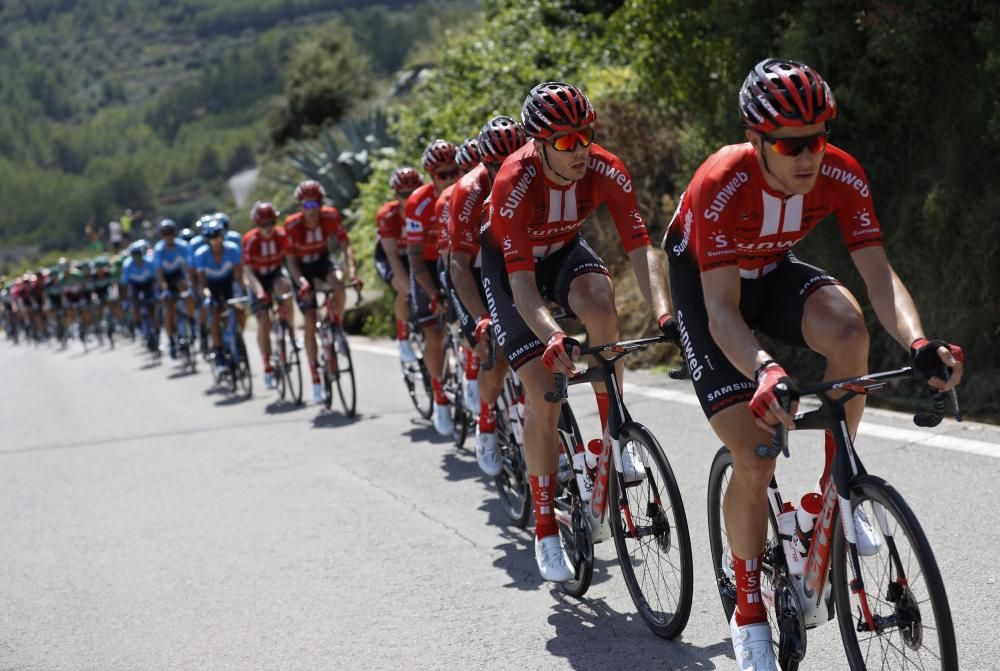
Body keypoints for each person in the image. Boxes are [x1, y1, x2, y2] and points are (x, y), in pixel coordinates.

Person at [660, 58, 965, 670]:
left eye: (818, 139)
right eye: (790, 144)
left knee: (849, 328)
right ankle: (748, 613)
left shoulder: (841, 174)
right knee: (756, 454)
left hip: (771, 271)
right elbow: (723, 314)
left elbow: (879, 277)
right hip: (708, 289)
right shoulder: (722, 180)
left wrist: (919, 343)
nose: (808, 156)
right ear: (756, 140)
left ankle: (839, 489)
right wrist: (766, 367)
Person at [480, 82, 676, 582]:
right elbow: (523, 287)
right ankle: (545, 527)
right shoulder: (513, 181)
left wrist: (664, 315)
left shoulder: (604, 166)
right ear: (538, 144)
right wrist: (552, 337)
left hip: (564, 249)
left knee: (599, 303)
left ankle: (617, 432)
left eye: (586, 135)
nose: (580, 149)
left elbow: (640, 247)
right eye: (566, 142)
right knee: (544, 393)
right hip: (511, 270)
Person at [449, 116, 527, 476]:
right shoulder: (468, 190)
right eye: (495, 165)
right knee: (493, 354)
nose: (505, 170)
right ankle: (486, 424)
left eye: (513, 159)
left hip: (513, 262)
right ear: (484, 163)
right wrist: (480, 317)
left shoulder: (533, 176)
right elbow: (459, 268)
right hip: (472, 272)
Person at [284, 179, 359, 404]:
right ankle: (316, 376)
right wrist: (302, 282)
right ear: (300, 207)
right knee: (308, 320)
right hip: (301, 268)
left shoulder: (331, 216)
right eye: (307, 205)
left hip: (322, 260)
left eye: (316, 203)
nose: (312, 210)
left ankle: (335, 323)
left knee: (338, 282)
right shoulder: (292, 225)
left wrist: (352, 272)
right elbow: (291, 262)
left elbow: (346, 246)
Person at [406, 139, 462, 435]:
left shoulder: (468, 190)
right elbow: (414, 259)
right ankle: (440, 397)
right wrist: (434, 294)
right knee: (433, 330)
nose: (452, 178)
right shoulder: (418, 203)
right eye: (443, 175)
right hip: (427, 266)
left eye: (456, 171)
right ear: (431, 176)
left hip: (457, 258)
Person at [242, 201, 293, 390]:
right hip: (256, 278)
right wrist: (259, 291)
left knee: (286, 290)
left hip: (275, 273)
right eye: (263, 225)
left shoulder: (281, 234)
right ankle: (267, 365)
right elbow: (247, 272)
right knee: (264, 321)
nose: (268, 228)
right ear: (257, 225)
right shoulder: (250, 240)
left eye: (272, 222)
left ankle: (290, 328)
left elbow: (290, 260)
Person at [375, 168, 423, 363]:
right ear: (395, 195)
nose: (410, 198)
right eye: (404, 195)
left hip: (415, 254)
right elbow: (392, 256)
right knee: (405, 291)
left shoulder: (428, 206)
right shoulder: (386, 215)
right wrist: (410, 289)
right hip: (391, 257)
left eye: (415, 191)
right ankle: (402, 338)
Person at [194, 220, 245, 373]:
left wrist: (240, 293)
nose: (215, 240)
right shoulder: (201, 254)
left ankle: (237, 337)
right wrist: (208, 296)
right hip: (212, 287)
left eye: (218, 236)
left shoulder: (232, 249)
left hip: (229, 284)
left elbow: (238, 275)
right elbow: (202, 283)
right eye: (211, 238)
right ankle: (219, 353)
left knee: (240, 309)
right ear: (207, 240)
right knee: (215, 314)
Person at [152, 219, 192, 359]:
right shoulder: (158, 249)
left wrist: (190, 283)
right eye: (165, 233)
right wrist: (164, 288)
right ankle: (171, 341)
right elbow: (158, 273)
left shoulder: (183, 246)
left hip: (179, 276)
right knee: (168, 309)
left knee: (186, 290)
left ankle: (192, 322)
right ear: (162, 235)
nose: (168, 236)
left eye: (170, 233)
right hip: (165, 280)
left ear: (174, 233)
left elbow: (188, 268)